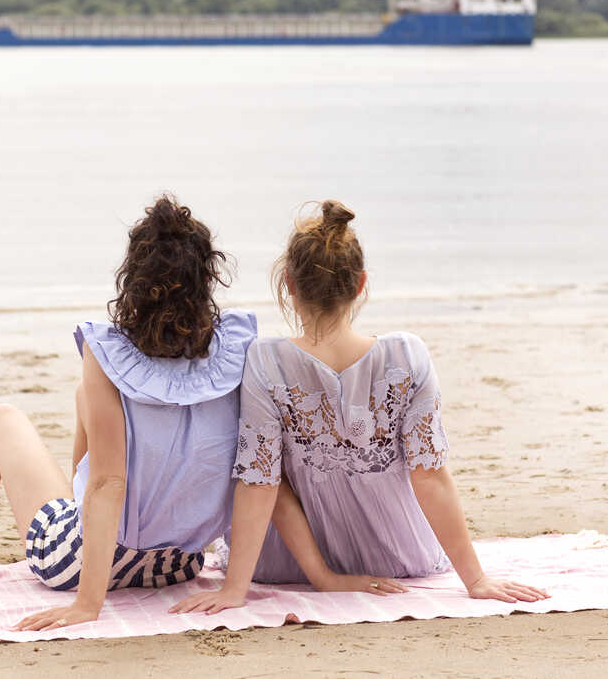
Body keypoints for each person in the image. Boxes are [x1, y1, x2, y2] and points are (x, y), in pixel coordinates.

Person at [0, 195, 257, 630]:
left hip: (73, 565)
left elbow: (111, 481)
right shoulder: (237, 347)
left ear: (133, 279)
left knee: (4, 420)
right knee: (86, 398)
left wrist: (86, 605)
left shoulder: (107, 351)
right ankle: (69, 507)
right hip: (177, 565)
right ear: (206, 277)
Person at [171, 200, 547, 615]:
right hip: (399, 556)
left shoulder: (265, 360)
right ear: (361, 284)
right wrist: (476, 580)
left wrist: (234, 591)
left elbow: (260, 481)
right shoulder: (408, 355)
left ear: (289, 285)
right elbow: (431, 476)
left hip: (287, 565)